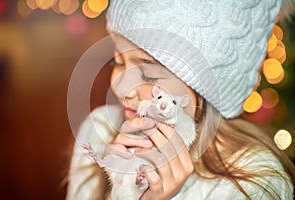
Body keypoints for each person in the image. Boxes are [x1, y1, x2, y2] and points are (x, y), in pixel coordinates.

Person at [66, 0, 295, 199]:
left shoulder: (254, 183)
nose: (120, 87)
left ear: (206, 90)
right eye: (118, 61)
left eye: (149, 74)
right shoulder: (98, 131)